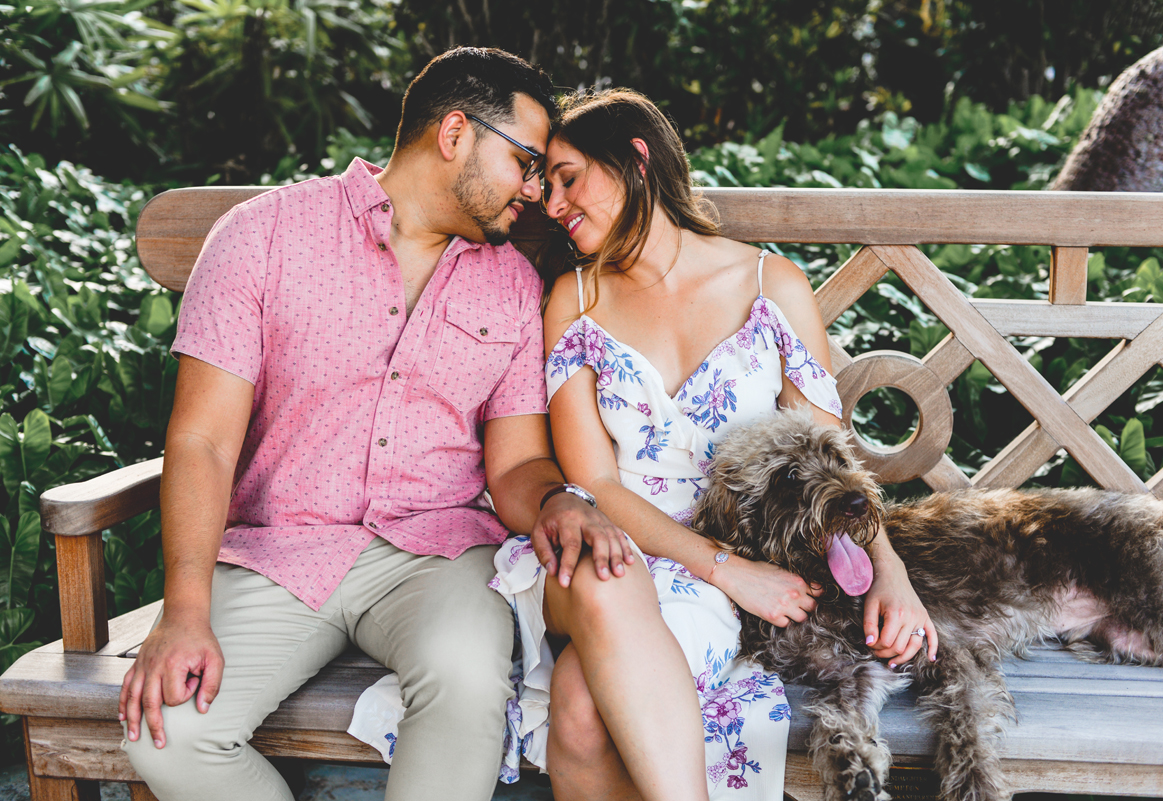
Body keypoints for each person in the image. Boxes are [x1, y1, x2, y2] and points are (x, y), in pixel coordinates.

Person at [117, 47, 627, 801]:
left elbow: (515, 462)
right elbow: (201, 439)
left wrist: (555, 499)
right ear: (455, 132)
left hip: (439, 552)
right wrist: (184, 609)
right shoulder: (264, 237)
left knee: (465, 681)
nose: (533, 188)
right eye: (524, 160)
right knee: (170, 732)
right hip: (278, 550)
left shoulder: (513, 285)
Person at [491, 89, 940, 801]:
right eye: (546, 186)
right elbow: (597, 485)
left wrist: (890, 570)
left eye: (570, 177)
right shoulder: (571, 301)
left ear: (636, 159)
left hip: (722, 567)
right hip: (613, 547)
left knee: (577, 708)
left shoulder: (769, 286)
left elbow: (829, 461)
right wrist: (728, 571)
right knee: (584, 701)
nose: (552, 202)